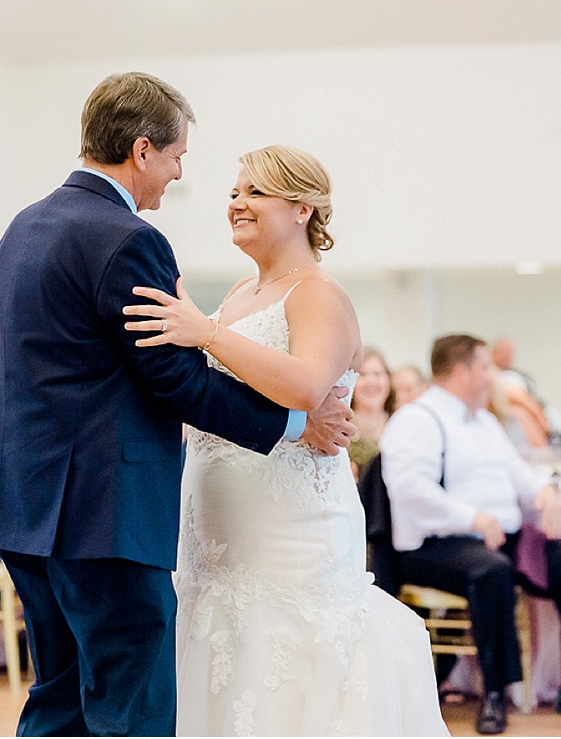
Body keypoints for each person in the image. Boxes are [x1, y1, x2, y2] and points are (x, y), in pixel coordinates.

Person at [0, 73, 355, 739]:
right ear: (143, 150)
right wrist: (297, 422)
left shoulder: (22, 228)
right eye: (178, 156)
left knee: (59, 698)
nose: (179, 175)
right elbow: (175, 380)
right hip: (101, 514)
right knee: (132, 709)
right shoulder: (127, 239)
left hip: (25, 507)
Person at [123, 145, 449, 737]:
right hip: (217, 535)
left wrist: (208, 333)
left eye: (254, 193)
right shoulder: (239, 297)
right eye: (233, 193)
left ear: (301, 209)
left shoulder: (319, 294)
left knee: (288, 674)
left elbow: (303, 386)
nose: (236, 205)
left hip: (292, 531)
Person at [379, 334, 561, 735]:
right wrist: (473, 518)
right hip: (437, 545)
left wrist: (543, 490)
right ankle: (495, 692)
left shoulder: (482, 420)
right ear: (461, 371)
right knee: (491, 570)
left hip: (498, 538)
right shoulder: (417, 419)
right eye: (486, 367)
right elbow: (411, 490)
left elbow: (516, 472)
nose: (492, 377)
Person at [348, 347, 395, 479]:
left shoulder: (402, 425)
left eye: (377, 374)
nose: (371, 382)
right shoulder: (339, 428)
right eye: (362, 375)